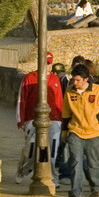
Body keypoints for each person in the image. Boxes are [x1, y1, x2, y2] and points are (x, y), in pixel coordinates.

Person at [61, 65, 99, 197]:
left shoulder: (98, 90)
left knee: (93, 163)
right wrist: (64, 130)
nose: (75, 83)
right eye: (73, 80)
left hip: (93, 133)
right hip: (75, 131)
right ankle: (75, 194)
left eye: (78, 80)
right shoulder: (69, 91)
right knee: (75, 162)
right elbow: (66, 113)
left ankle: (96, 188)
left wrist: (95, 120)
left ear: (86, 79)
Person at [15, 54, 64, 185]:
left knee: (50, 151)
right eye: (44, 63)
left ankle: (50, 177)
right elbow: (22, 99)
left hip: (53, 119)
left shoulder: (54, 79)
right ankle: (23, 169)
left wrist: (61, 120)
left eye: (48, 63)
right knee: (31, 150)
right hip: (32, 118)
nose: (46, 66)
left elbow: (59, 100)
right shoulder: (30, 78)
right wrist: (20, 120)